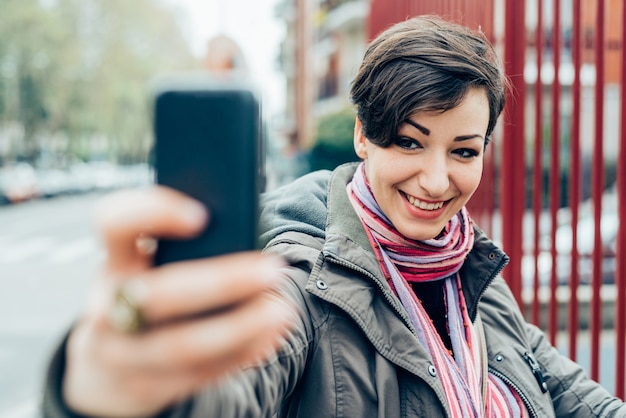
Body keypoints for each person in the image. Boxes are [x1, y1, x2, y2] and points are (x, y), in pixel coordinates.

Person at [43, 16, 626, 417]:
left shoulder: (471, 267)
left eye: (464, 151)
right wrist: (121, 392)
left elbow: (565, 388)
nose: (436, 179)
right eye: (409, 141)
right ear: (362, 138)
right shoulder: (298, 281)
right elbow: (233, 390)